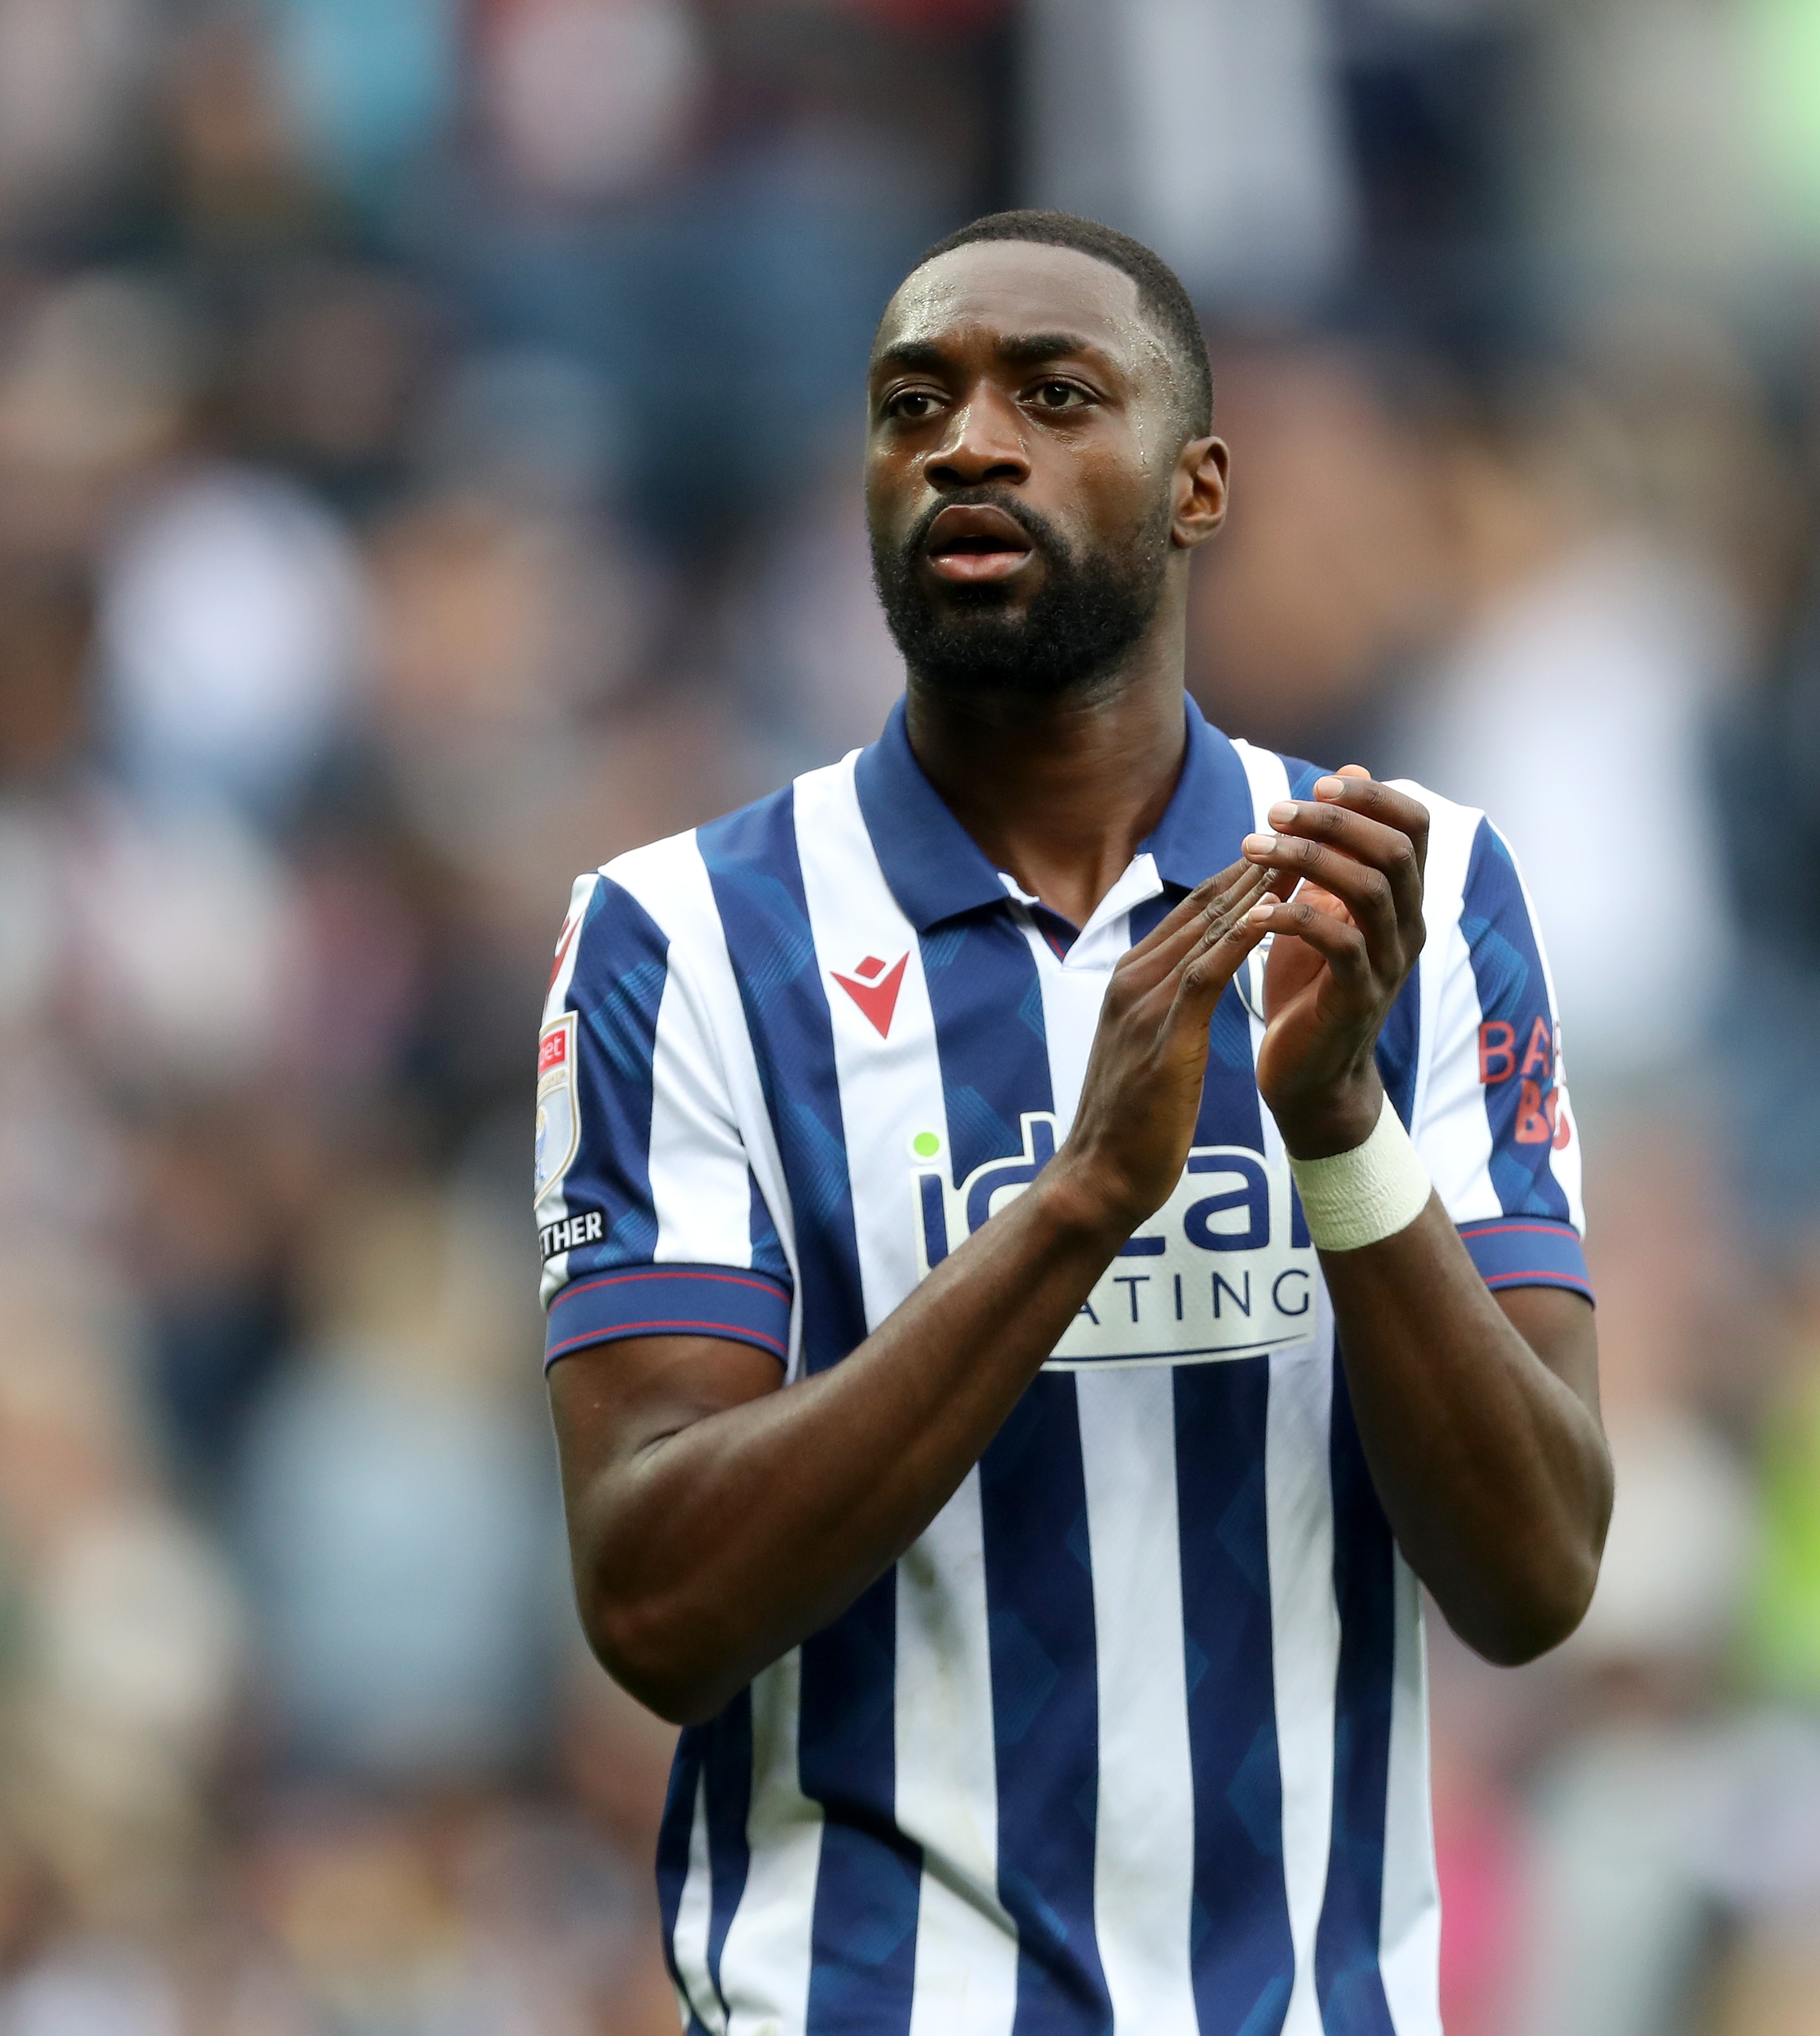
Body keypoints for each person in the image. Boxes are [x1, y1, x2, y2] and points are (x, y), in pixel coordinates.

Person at [535, 209, 1610, 2027]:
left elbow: (1533, 1575)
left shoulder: (1405, 896)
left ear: (1197, 488)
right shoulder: (682, 939)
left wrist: (1337, 1131)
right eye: (911, 403)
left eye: (1051, 394)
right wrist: (1073, 1206)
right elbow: (654, 1604)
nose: (966, 440)